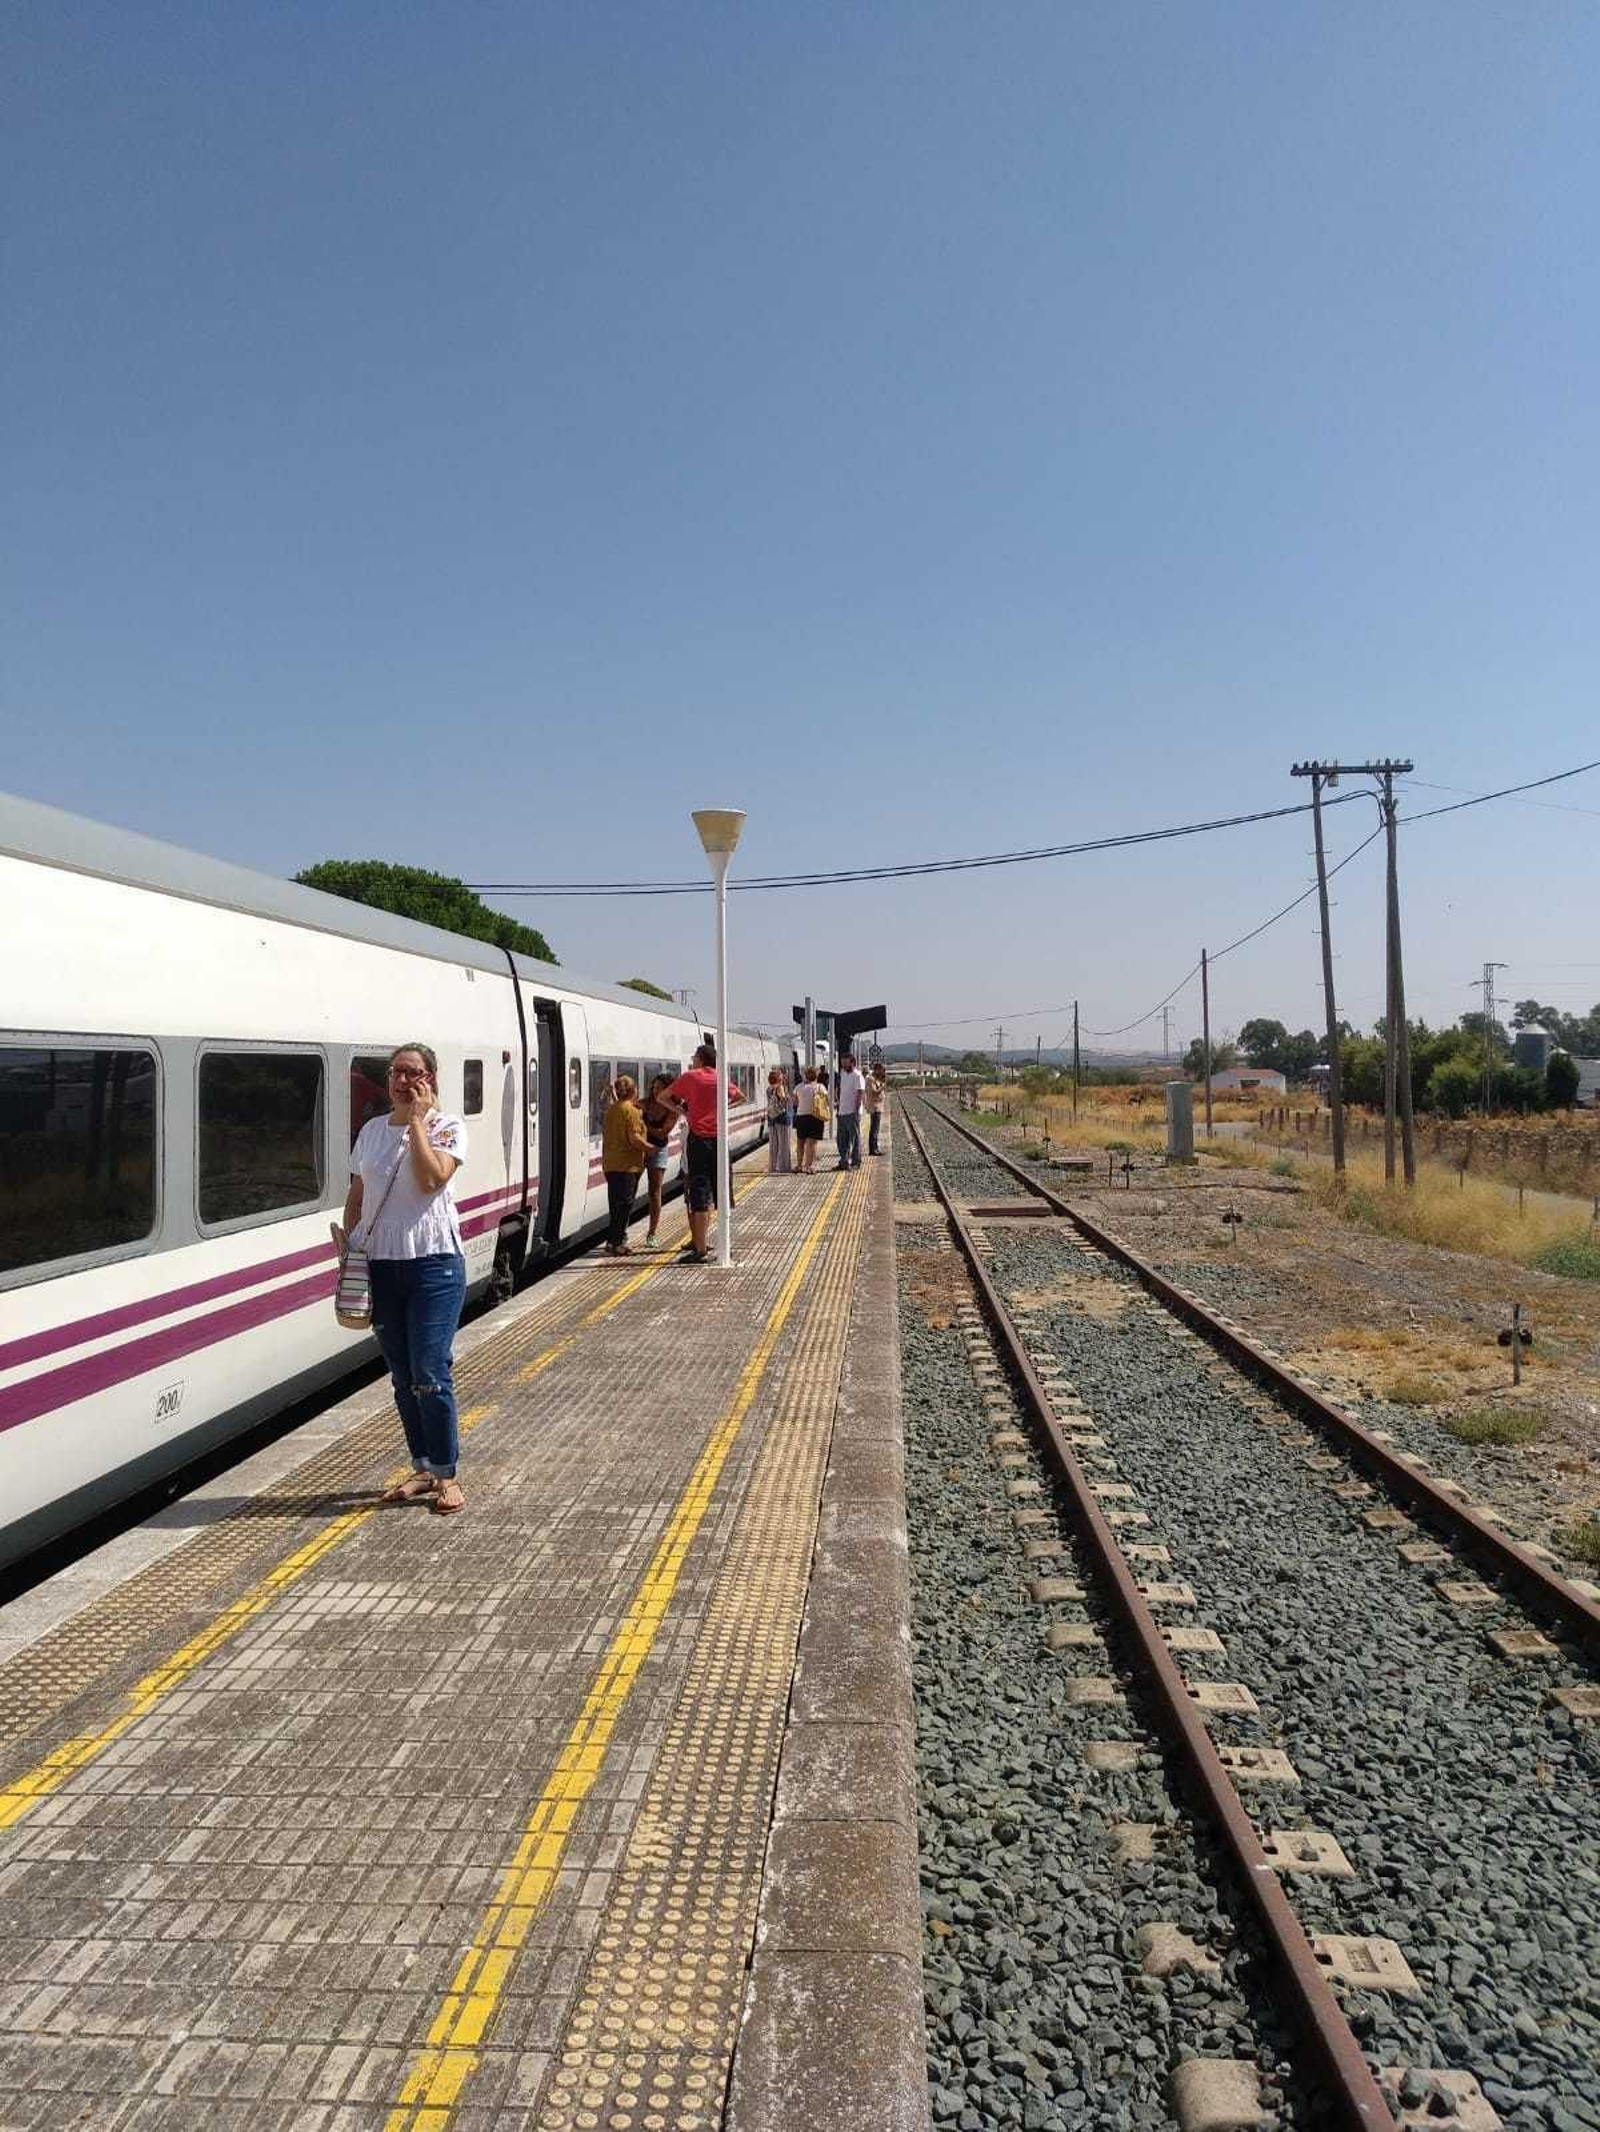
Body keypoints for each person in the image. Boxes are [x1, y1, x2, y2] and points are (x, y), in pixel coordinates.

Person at [342, 1043, 469, 1516]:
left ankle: (448, 1474)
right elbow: (357, 1193)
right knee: (402, 1377)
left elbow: (434, 1178)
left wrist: (417, 1121)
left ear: (430, 1078)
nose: (401, 1080)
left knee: (431, 1374)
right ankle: (422, 1467)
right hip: (381, 1264)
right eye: (395, 1072)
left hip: (434, 1264)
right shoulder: (372, 1132)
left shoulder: (448, 1127)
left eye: (412, 1072)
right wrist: (349, 1248)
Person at [664, 1042, 743, 1262]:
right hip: (719, 1139)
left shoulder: (691, 1077)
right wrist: (722, 1112)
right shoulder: (720, 1077)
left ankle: (699, 1249)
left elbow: (662, 1097)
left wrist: (682, 1111)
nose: (692, 1058)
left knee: (700, 1194)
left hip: (698, 1140)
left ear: (701, 1059)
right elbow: (740, 1097)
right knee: (721, 1193)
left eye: (695, 1056)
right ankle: (722, 1245)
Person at [602, 1074, 648, 1254]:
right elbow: (634, 1138)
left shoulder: (612, 1110)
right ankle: (618, 1243)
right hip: (627, 1166)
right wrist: (650, 1148)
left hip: (611, 1164)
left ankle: (612, 1241)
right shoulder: (632, 1111)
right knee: (625, 1205)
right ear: (633, 1091)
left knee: (615, 1205)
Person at [640, 1072, 678, 1246]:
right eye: (654, 1088)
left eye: (659, 1088)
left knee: (654, 1192)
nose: (655, 1091)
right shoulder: (645, 1103)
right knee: (630, 1189)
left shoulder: (672, 1109)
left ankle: (652, 1233)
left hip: (659, 1150)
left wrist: (642, 1125)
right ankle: (622, 1233)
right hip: (640, 1150)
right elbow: (626, 1107)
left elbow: (663, 1132)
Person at [835, 1051, 867, 1170]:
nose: (843, 1064)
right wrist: (838, 1108)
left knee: (855, 1138)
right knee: (841, 1139)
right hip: (842, 1111)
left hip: (852, 1112)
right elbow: (841, 1091)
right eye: (842, 1062)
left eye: (845, 1062)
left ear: (852, 1062)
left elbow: (860, 1093)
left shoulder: (858, 1076)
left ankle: (855, 1162)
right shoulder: (842, 1074)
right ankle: (843, 1161)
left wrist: (856, 1110)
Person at [792, 1065, 826, 1174]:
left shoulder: (798, 1087)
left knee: (800, 1142)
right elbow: (826, 1100)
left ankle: (799, 1165)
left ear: (805, 1075)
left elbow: (795, 1103)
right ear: (817, 1076)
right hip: (815, 1117)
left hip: (801, 1117)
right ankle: (810, 1166)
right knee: (812, 1143)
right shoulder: (820, 1087)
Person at [766, 1068, 794, 1173]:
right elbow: (783, 1100)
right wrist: (788, 1098)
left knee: (773, 1145)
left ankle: (772, 1167)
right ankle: (784, 1167)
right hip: (782, 1119)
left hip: (772, 1118)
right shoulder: (780, 1088)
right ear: (779, 1078)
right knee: (784, 1144)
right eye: (781, 1076)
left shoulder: (769, 1089)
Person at [865, 1067, 886, 1156]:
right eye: (881, 1071)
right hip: (875, 1107)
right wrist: (882, 1087)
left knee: (875, 1129)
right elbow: (874, 1092)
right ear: (876, 1070)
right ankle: (873, 1149)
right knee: (874, 1129)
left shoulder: (873, 1079)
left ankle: (875, 1148)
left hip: (877, 1106)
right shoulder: (871, 1080)